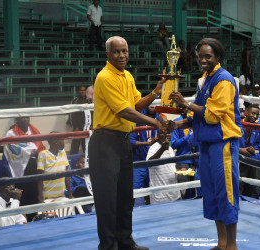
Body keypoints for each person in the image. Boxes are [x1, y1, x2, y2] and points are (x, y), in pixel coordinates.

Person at [88, 36, 170, 250]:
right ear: (108, 54)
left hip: (124, 142)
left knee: (125, 197)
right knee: (107, 200)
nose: (122, 55)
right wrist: (155, 123)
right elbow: (124, 111)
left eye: (125, 51)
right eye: (117, 51)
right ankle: (108, 246)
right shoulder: (105, 77)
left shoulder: (127, 76)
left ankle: (125, 241)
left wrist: (155, 92)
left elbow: (135, 104)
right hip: (105, 142)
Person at [170, 38, 242, 250]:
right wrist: (179, 123)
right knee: (211, 193)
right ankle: (221, 243)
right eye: (200, 56)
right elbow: (199, 113)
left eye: (207, 56)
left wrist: (185, 103)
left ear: (217, 57)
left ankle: (232, 245)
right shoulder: (205, 79)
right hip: (207, 143)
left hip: (223, 143)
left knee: (226, 192)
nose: (203, 60)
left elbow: (211, 115)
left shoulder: (224, 80)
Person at [3, 116, 45, 221]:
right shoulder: (11, 133)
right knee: (21, 195)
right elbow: (12, 148)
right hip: (19, 168)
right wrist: (28, 151)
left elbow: (40, 147)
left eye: (27, 117)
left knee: (33, 193)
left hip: (33, 165)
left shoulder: (34, 130)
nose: (25, 120)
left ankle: (33, 219)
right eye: (22, 118)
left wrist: (33, 151)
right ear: (17, 120)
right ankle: (21, 221)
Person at [130, 107, 157, 206]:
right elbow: (130, 141)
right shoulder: (138, 121)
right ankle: (135, 214)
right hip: (139, 162)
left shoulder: (160, 120)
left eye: (155, 105)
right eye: (150, 105)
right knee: (136, 191)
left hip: (154, 163)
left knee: (152, 190)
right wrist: (146, 143)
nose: (152, 107)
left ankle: (152, 212)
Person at [37, 133, 73, 202]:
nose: (64, 142)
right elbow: (39, 178)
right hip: (47, 197)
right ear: (55, 141)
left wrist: (70, 195)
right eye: (62, 140)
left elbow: (67, 175)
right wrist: (40, 198)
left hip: (61, 196)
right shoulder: (43, 154)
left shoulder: (63, 153)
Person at [147, 131, 181, 204]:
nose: (166, 135)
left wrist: (179, 171)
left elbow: (169, 167)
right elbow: (149, 163)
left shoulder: (171, 149)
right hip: (160, 197)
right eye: (163, 133)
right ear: (158, 135)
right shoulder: (154, 148)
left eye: (168, 133)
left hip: (174, 195)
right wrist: (162, 149)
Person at [171, 112, 195, 199]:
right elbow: (174, 144)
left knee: (195, 190)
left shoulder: (196, 120)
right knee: (183, 192)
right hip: (183, 161)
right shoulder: (177, 122)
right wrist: (188, 136)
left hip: (196, 160)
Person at [239, 104, 260, 198]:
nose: (255, 116)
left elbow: (259, 144)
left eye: (257, 114)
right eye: (253, 113)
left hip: (250, 161)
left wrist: (254, 150)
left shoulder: (257, 127)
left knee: (250, 188)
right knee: (238, 187)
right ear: (246, 113)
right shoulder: (237, 124)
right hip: (237, 160)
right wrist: (240, 150)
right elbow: (228, 143)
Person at [69, 86, 92, 154]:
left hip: (87, 126)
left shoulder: (89, 101)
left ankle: (87, 160)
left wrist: (91, 124)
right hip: (77, 127)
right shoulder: (74, 101)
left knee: (86, 145)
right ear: (78, 91)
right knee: (75, 145)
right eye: (81, 90)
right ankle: (72, 159)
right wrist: (75, 126)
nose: (82, 92)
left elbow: (92, 114)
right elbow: (72, 115)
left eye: (84, 90)